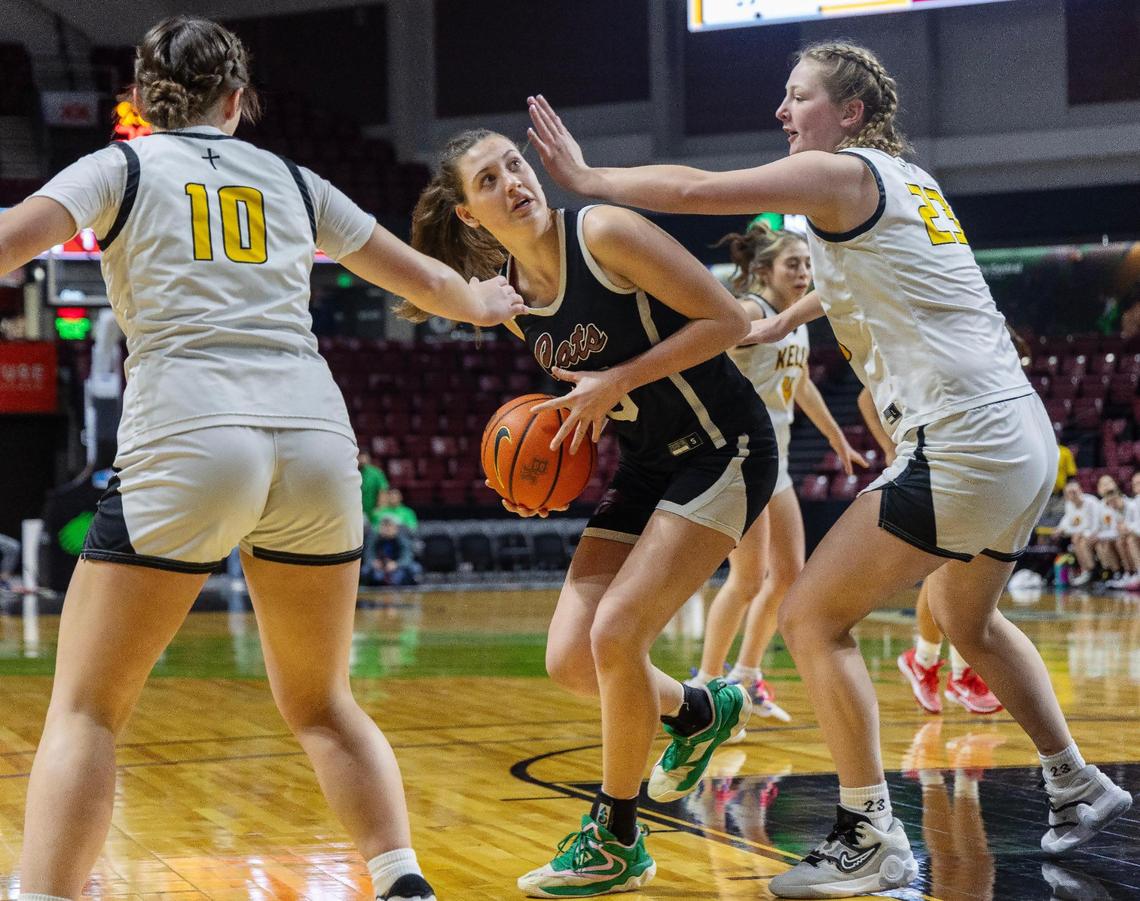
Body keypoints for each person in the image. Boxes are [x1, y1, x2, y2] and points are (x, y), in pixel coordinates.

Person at [526, 39, 1132, 898]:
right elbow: (876, 271)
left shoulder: (843, 173)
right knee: (970, 619)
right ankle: (1077, 784)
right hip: (1020, 434)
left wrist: (591, 181)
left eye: (798, 96)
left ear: (849, 115)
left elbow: (699, 191)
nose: (782, 112)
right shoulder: (902, 184)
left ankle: (868, 836)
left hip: (962, 437)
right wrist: (785, 319)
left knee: (811, 616)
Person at [0, 16, 528, 901]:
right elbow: (431, 286)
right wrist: (487, 298)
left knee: (87, 708)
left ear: (138, 100)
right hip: (317, 443)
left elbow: (11, 243)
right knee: (323, 701)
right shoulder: (292, 176)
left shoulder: (118, 167)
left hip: (192, 432)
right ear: (238, 101)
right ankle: (402, 880)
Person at [407, 128, 778, 897]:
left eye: (515, 162)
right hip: (648, 462)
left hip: (722, 444)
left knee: (617, 633)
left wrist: (614, 382)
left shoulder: (602, 231)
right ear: (472, 217)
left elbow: (728, 321)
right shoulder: (513, 305)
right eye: (488, 179)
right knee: (572, 657)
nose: (514, 179)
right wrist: (537, 469)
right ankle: (702, 708)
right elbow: (588, 406)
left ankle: (616, 835)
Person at [687, 221, 866, 726]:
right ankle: (705, 683)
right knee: (746, 580)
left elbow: (801, 380)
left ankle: (746, 675)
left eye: (809, 263)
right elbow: (697, 353)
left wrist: (836, 438)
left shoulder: (795, 320)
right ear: (764, 271)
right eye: (794, 264)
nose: (805, 272)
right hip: (741, 459)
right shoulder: (749, 312)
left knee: (787, 574)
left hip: (777, 462)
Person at [860, 386, 1002, 715]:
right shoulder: (904, 347)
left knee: (965, 567)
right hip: (934, 459)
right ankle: (950, 671)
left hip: (977, 457)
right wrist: (888, 447)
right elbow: (867, 397)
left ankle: (933, 664)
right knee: (952, 565)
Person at [1055, 479, 1101, 587]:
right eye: (1069, 493)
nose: (1072, 495)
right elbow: (1067, 520)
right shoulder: (1069, 505)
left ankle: (1091, 572)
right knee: (1077, 540)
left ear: (1081, 490)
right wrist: (1060, 528)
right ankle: (1087, 571)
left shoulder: (1091, 502)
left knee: (1079, 540)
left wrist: (1077, 532)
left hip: (1098, 532)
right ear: (1066, 496)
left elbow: (1095, 525)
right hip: (1084, 535)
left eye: (1074, 491)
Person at [362, 514, 421, 586]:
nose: (387, 529)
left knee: (415, 568)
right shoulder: (374, 538)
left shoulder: (402, 538)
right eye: (384, 526)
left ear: (396, 528)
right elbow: (368, 554)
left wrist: (396, 564)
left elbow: (407, 557)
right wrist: (373, 562)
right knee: (365, 570)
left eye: (389, 526)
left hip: (397, 566)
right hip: (379, 566)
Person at [359, 451, 390, 574]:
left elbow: (383, 490)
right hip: (355, 514)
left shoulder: (375, 473)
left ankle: (370, 567)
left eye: (363, 456)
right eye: (359, 456)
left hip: (373, 514)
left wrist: (379, 509)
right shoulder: (349, 471)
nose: (361, 459)